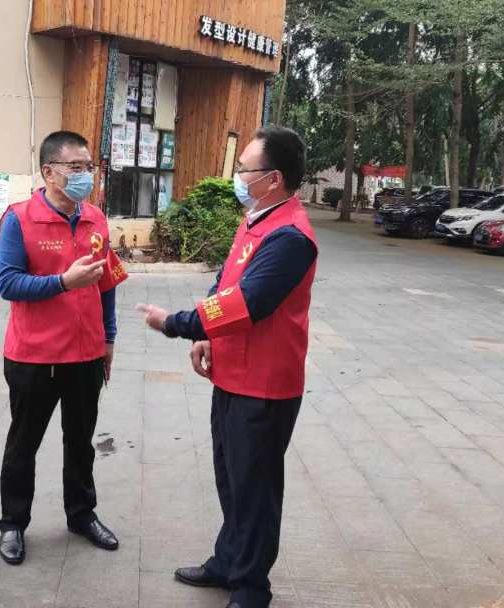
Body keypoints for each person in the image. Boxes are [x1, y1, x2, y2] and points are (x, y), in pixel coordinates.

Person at [137, 126, 317, 608]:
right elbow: (225, 283)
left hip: (265, 385)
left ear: (273, 178)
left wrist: (176, 323)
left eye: (244, 169)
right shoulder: (256, 219)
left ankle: (252, 587)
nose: (237, 177)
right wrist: (207, 336)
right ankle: (228, 561)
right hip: (233, 375)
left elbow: (246, 304)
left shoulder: (290, 237)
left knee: (255, 488)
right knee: (231, 478)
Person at [0, 130, 129, 565]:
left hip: (86, 353)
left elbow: (107, 283)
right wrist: (62, 283)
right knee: (23, 445)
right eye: (75, 167)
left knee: (81, 442)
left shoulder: (96, 219)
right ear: (48, 172)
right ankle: (13, 523)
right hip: (33, 357)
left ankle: (82, 514)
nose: (85, 174)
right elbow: (7, 283)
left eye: (89, 167)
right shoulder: (19, 219)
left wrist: (109, 337)